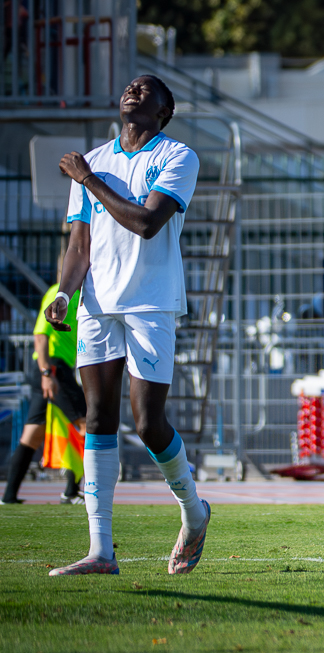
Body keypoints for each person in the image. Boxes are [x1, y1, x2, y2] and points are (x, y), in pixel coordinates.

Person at [44, 74, 209, 576]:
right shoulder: (94, 159)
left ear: (164, 110)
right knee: (97, 417)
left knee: (148, 423)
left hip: (151, 304)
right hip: (97, 304)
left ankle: (194, 510)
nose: (134, 91)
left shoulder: (177, 156)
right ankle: (101, 551)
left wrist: (88, 179)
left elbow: (145, 222)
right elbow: (80, 244)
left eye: (147, 89)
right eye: (130, 87)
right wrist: (65, 293)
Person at [2, 282, 87, 505]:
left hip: (52, 368)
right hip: (52, 367)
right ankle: (71, 492)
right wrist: (47, 373)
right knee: (88, 423)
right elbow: (40, 336)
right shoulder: (59, 293)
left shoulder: (83, 293)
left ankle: (9, 496)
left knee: (33, 432)